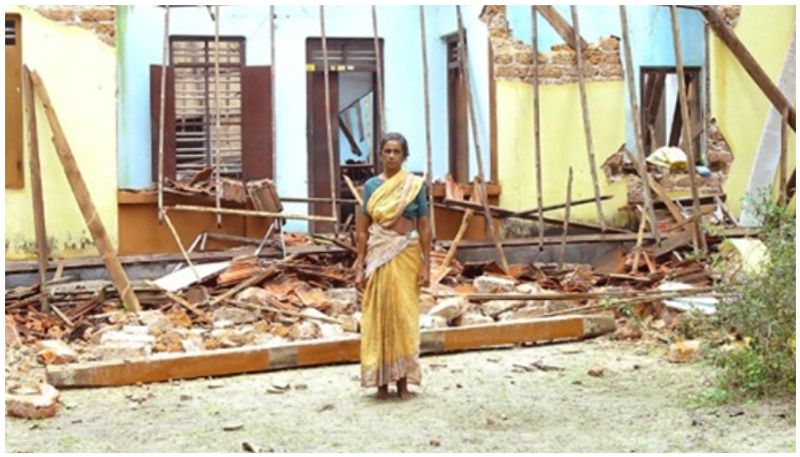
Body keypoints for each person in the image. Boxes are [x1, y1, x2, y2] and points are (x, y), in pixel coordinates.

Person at [354, 132, 432, 400]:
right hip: (378, 253)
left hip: (407, 253)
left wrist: (427, 266)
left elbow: (424, 225)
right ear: (380, 154)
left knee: (403, 314)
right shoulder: (371, 187)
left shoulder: (415, 185)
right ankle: (380, 383)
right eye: (386, 151)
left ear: (404, 156)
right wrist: (359, 263)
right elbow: (362, 229)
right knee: (379, 313)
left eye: (396, 152)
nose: (391, 156)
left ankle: (403, 381)